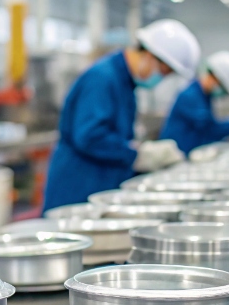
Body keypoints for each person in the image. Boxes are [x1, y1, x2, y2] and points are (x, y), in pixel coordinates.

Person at [42, 19, 200, 213]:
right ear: (150, 55)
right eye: (164, 71)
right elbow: (90, 137)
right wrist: (138, 155)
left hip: (100, 183)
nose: (161, 78)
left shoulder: (123, 82)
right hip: (79, 186)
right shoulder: (103, 78)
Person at [160, 51, 229, 155]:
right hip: (175, 154)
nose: (220, 92)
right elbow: (210, 128)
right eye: (222, 87)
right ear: (214, 78)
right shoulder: (190, 96)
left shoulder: (204, 96)